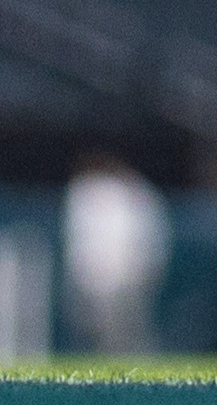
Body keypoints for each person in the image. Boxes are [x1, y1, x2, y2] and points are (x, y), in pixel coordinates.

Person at [59, 151, 170, 358]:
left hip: (125, 276)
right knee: (90, 330)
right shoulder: (84, 191)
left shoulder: (131, 193)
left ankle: (139, 363)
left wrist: (143, 271)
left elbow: (148, 239)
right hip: (95, 277)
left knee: (128, 330)